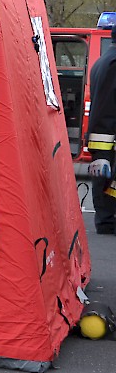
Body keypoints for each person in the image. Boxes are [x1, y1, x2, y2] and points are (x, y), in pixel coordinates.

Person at [86, 13, 116, 234]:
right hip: (109, 146)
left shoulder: (105, 60)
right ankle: (108, 219)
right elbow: (105, 111)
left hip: (106, 146)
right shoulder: (113, 63)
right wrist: (102, 155)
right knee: (108, 184)